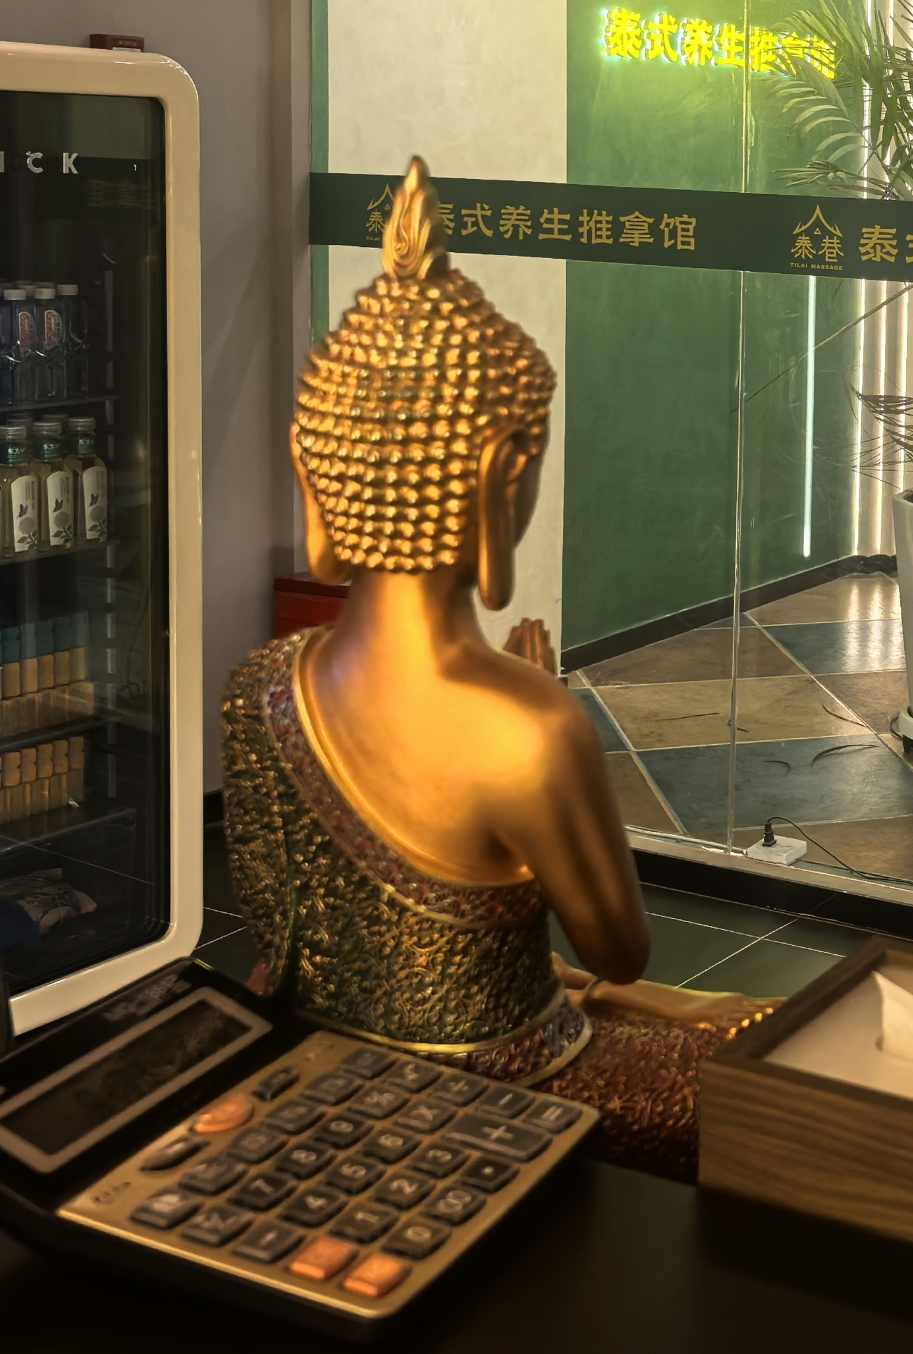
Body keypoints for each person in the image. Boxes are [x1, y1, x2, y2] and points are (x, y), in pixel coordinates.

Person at [220, 158, 771, 1178]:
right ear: (498, 475)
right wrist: (546, 707)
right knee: (766, 1060)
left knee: (707, 1011)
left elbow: (288, 934)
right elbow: (619, 953)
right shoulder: (529, 726)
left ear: (313, 469)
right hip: (513, 1080)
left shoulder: (259, 685)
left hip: (312, 1053)